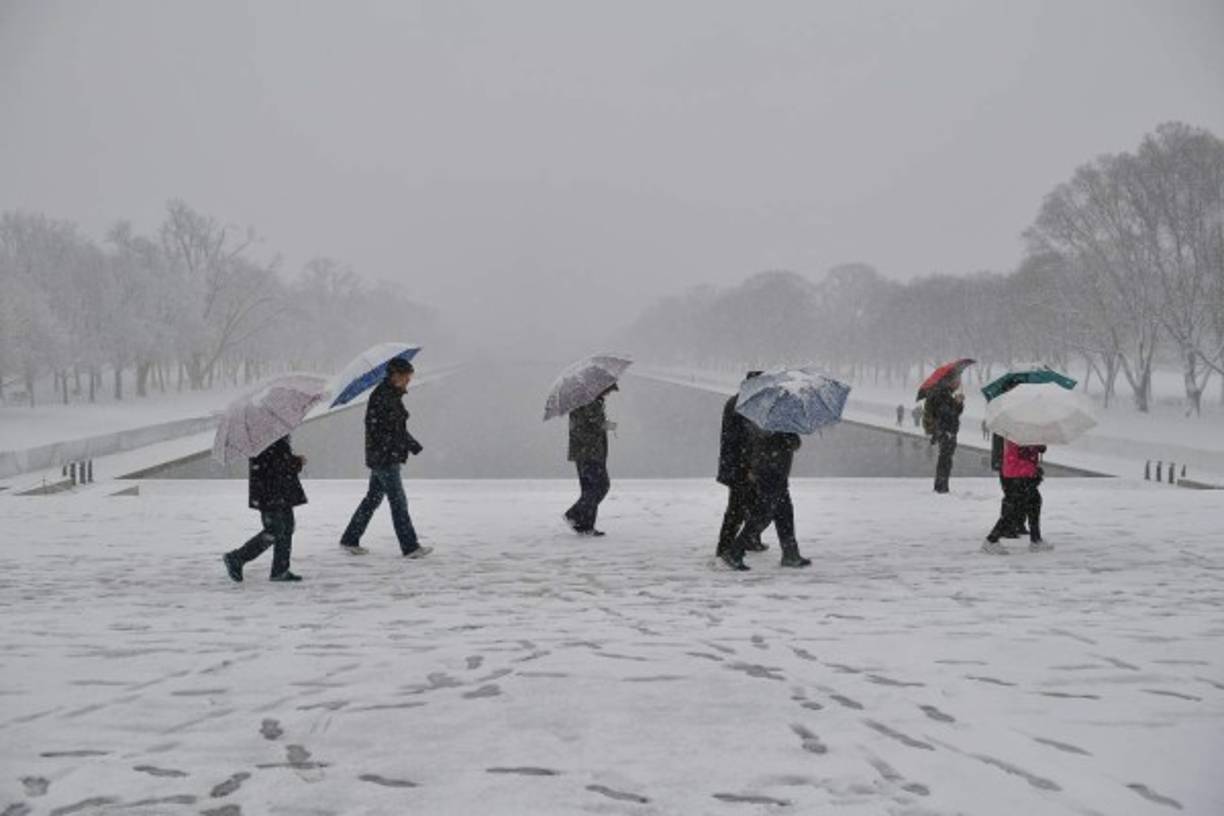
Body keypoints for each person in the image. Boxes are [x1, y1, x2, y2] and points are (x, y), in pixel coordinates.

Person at [340, 358, 431, 557]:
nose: (409, 381)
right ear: (396, 375)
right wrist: (403, 443)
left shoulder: (390, 395)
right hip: (385, 458)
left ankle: (349, 538)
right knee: (398, 502)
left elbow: (393, 428)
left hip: (382, 455)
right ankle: (410, 547)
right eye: (407, 377)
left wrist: (411, 445)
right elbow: (386, 429)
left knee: (372, 499)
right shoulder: (384, 396)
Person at [223, 435, 307, 583]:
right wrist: (296, 462)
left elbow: (277, 459)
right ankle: (237, 557)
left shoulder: (269, 433)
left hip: (277, 489)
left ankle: (280, 570)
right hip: (271, 491)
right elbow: (276, 463)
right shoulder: (267, 436)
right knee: (276, 529)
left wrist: (292, 459)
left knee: (286, 527)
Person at [736, 424, 811, 568]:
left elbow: (758, 446)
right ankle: (735, 551)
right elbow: (790, 443)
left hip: (773, 473)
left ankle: (790, 553)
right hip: (772, 474)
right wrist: (793, 437)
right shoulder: (777, 425)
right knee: (764, 514)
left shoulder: (766, 422)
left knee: (784, 514)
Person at [715, 371, 763, 571]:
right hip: (740, 468)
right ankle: (725, 547)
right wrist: (749, 467)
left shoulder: (739, 402)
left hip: (735, 465)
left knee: (747, 505)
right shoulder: (743, 406)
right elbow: (743, 441)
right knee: (737, 509)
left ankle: (747, 540)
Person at [563, 384, 616, 536]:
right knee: (601, 486)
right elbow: (594, 424)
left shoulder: (584, 400)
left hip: (584, 453)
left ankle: (585, 526)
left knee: (589, 490)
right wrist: (607, 425)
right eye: (607, 390)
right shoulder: (589, 401)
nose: (608, 394)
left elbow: (587, 424)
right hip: (590, 453)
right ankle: (574, 515)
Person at [983, 439, 1049, 554]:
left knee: (1034, 501)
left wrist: (1038, 446)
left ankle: (1036, 540)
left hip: (1024, 475)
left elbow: (1028, 452)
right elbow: (1017, 456)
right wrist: (1033, 465)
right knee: (1013, 509)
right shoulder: (1016, 434)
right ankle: (991, 540)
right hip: (1016, 475)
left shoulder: (1027, 433)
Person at [925, 376, 964, 493]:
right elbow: (946, 414)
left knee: (946, 460)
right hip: (945, 432)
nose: (958, 384)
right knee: (945, 460)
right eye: (957, 381)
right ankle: (941, 487)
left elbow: (955, 412)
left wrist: (959, 403)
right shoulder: (942, 395)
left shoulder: (945, 394)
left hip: (947, 431)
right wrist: (956, 402)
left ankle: (941, 486)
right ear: (950, 381)